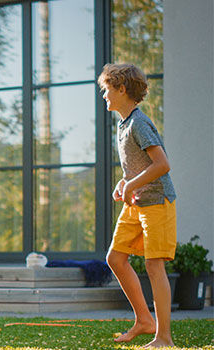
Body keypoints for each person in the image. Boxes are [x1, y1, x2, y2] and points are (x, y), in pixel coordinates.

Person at [99, 63, 177, 348]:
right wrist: (125, 182)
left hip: (157, 202)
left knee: (154, 265)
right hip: (137, 202)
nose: (104, 96)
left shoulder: (139, 123)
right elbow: (138, 166)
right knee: (115, 258)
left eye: (107, 90)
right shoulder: (124, 124)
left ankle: (164, 338)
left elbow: (162, 164)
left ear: (122, 89)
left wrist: (131, 184)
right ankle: (144, 320)